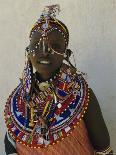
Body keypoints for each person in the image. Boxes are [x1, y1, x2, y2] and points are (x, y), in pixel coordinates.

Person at [4, 4, 113, 155]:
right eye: (37, 45)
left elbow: (104, 149)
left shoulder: (81, 95)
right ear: (28, 52)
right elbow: (10, 144)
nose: (45, 52)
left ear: (65, 53)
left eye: (54, 45)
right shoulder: (18, 101)